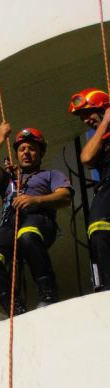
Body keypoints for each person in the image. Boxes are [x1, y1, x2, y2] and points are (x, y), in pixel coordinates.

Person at [0, 123, 73, 314]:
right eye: (21, 149)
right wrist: (0, 137)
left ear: (41, 153)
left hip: (39, 220)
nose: (26, 152)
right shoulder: (9, 181)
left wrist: (36, 200)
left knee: (27, 234)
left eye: (32, 148)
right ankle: (13, 306)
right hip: (11, 225)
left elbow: (65, 197)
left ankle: (48, 292)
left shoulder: (50, 175)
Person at [69, 87, 110, 290]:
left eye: (88, 113)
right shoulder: (100, 140)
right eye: (82, 117)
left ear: (103, 107)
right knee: (98, 226)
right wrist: (104, 123)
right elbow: (86, 158)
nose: (85, 120)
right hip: (107, 185)